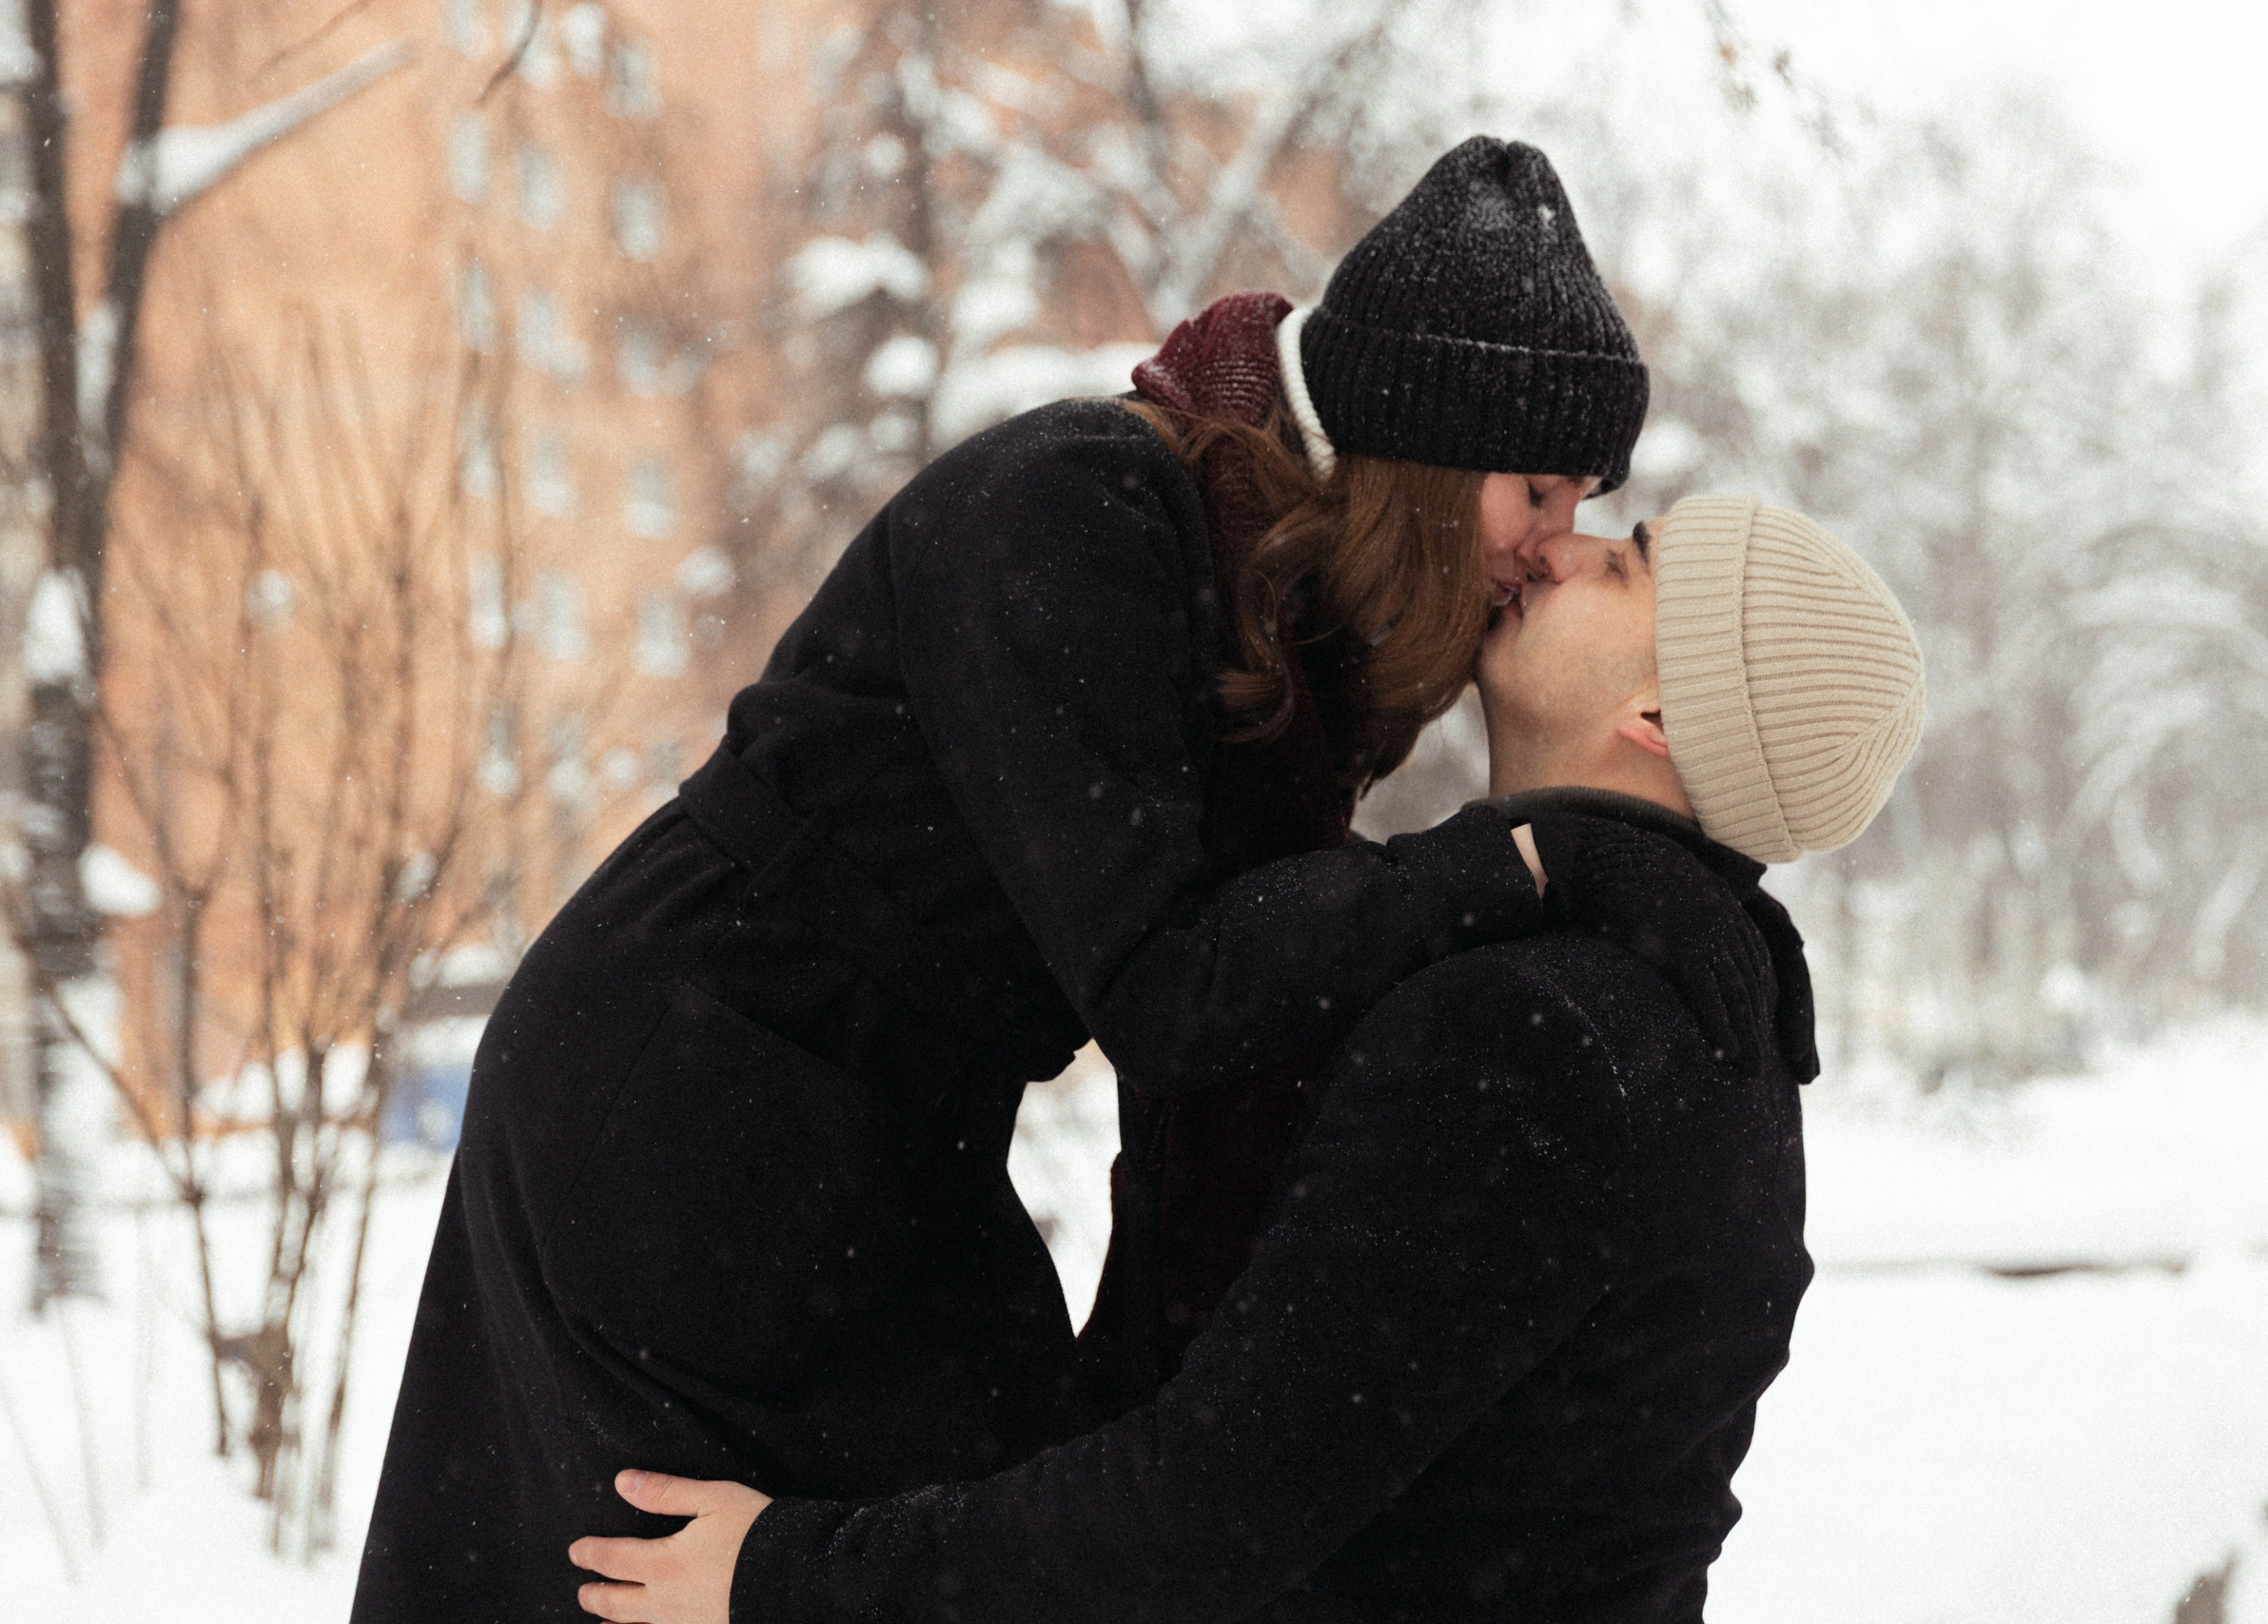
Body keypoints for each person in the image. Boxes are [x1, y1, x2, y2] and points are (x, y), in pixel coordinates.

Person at [353, 136, 1747, 1623]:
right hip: (700, 1099)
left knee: (1008, 1527)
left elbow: (1266, 972)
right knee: (744, 1572)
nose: (1552, 548)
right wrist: (1513, 866)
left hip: (883, 1117)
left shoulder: (1270, 595)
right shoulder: (1083, 511)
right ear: (1423, 446)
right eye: (1537, 490)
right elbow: (1175, 985)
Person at [563, 495, 1927, 1624]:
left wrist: (783, 1580)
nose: (1560, 547)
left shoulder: (1540, 1040)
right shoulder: (1700, 1019)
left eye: (1622, 565)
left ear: (1664, 719)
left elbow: (1199, 1515)